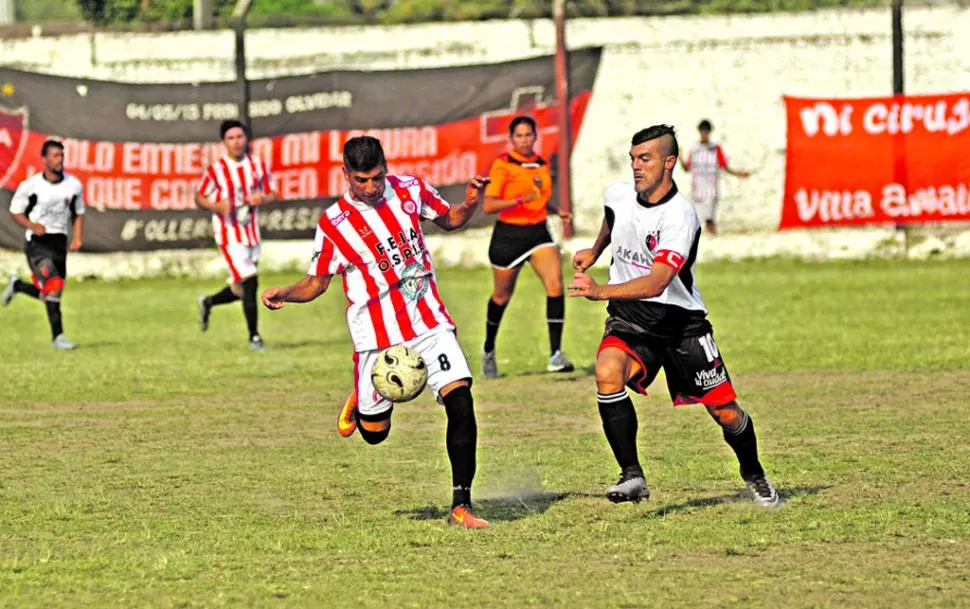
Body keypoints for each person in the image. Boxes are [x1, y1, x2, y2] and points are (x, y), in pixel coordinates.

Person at [262, 136, 491, 529]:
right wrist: (284, 292)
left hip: (427, 320)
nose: (371, 188)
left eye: (377, 178)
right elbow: (317, 283)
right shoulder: (334, 224)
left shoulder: (410, 190)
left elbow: (449, 220)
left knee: (461, 400)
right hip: (376, 336)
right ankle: (362, 396)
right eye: (361, 180)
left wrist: (470, 202)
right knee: (374, 435)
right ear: (345, 174)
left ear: (387, 167)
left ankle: (460, 505)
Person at [568, 124, 779, 508]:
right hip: (631, 317)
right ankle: (632, 475)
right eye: (633, 158)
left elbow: (659, 281)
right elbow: (614, 218)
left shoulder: (680, 216)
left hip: (681, 322)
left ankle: (754, 473)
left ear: (668, 163)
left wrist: (600, 290)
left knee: (726, 412)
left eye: (645, 158)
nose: (635, 166)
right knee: (607, 372)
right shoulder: (617, 193)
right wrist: (596, 250)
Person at [480, 116, 574, 379]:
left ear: (535, 136)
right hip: (509, 236)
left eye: (528, 135)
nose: (524, 140)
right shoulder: (503, 164)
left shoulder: (541, 163)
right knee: (501, 297)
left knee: (555, 285)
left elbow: (539, 197)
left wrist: (557, 211)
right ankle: (488, 349)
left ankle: (556, 354)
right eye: (519, 136)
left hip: (538, 232)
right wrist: (521, 199)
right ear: (511, 139)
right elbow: (489, 205)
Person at [195, 119, 278, 351]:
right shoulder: (217, 170)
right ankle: (254, 337)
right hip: (228, 233)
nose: (236, 142)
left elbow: (273, 193)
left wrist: (263, 198)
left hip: (251, 232)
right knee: (251, 279)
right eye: (231, 138)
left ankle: (208, 302)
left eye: (240, 137)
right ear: (224, 142)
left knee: (240, 289)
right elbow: (199, 196)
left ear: (246, 139)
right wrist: (216, 205)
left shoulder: (258, 165)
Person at [2, 140, 84, 350]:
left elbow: (78, 213)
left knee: (51, 293)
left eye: (62, 155)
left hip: (59, 243)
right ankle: (59, 338)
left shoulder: (73, 185)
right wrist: (32, 225)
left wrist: (77, 238)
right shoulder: (32, 186)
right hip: (38, 244)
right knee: (53, 286)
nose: (59, 160)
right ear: (45, 159)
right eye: (55, 155)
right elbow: (15, 211)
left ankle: (18, 285)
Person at [680, 119, 749, 236]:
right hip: (697, 189)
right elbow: (687, 168)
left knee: (710, 217)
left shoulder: (715, 149)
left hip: (711, 188)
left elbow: (724, 166)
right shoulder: (694, 149)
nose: (704, 134)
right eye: (703, 131)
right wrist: (680, 158)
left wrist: (738, 174)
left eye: (706, 131)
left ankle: (713, 237)